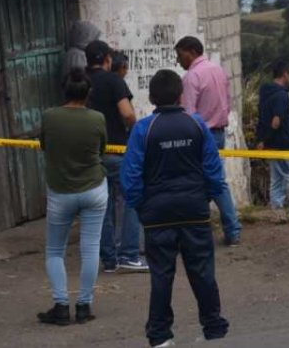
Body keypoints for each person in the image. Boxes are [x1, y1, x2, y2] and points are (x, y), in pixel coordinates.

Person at [122, 70, 230, 347]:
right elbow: (214, 172)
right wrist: (204, 198)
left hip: (157, 215)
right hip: (194, 210)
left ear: (152, 97)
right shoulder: (196, 125)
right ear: (181, 94)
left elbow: (131, 176)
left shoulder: (144, 129)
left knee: (161, 275)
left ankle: (159, 335)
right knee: (203, 271)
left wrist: (141, 207)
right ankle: (213, 327)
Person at [37, 69, 109, 326]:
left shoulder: (49, 117)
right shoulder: (97, 118)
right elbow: (102, 148)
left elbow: (44, 146)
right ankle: (83, 306)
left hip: (60, 191)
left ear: (64, 91)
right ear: (88, 93)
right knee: (90, 248)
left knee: (55, 250)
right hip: (94, 189)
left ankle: (60, 305)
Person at [86, 40, 147, 274]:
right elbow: (128, 113)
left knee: (102, 206)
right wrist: (131, 130)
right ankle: (129, 255)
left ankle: (108, 260)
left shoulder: (80, 81)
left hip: (92, 154)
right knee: (130, 201)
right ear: (107, 59)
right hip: (117, 151)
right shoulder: (114, 81)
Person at [175, 36, 241, 247]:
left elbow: (188, 114)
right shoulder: (218, 70)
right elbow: (228, 103)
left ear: (191, 51)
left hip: (201, 135)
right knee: (213, 181)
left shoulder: (191, 77)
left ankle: (223, 228)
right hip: (219, 133)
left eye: (180, 55)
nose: (178, 60)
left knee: (207, 182)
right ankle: (225, 229)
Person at [256, 61, 289, 218]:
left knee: (277, 182)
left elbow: (262, 119)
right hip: (284, 146)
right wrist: (269, 138)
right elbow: (276, 121)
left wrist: (263, 140)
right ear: (285, 74)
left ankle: (276, 212)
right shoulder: (282, 95)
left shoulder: (265, 93)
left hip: (271, 146)